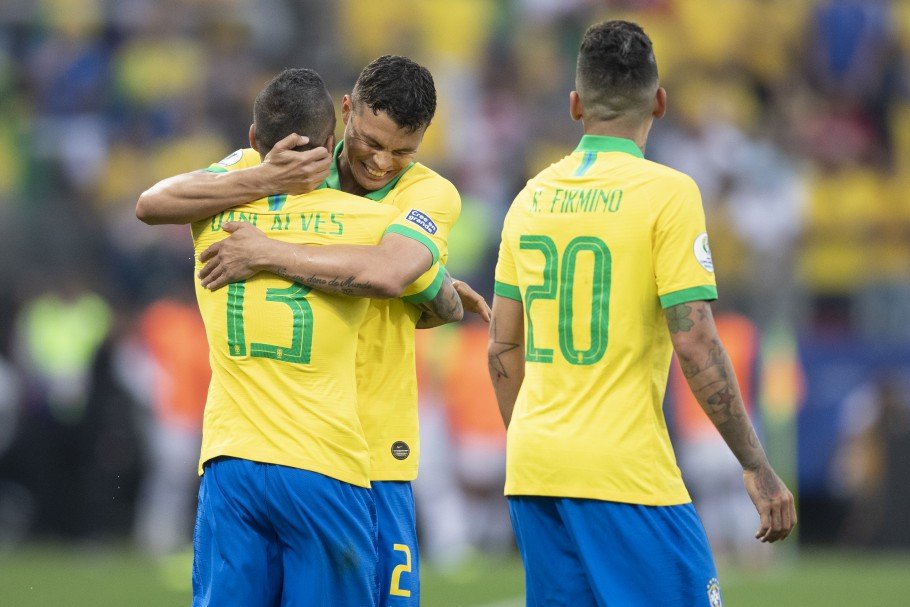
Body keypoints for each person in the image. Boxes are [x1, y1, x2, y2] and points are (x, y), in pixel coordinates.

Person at [137, 55, 488, 606]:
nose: (382, 162)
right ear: (347, 111)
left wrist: (267, 251)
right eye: (372, 141)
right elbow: (152, 202)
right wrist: (267, 176)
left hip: (373, 445)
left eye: (403, 151)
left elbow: (395, 272)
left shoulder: (427, 193)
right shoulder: (287, 166)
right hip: (306, 449)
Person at [487, 20, 796, 606]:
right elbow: (695, 342)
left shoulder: (529, 198)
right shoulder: (668, 194)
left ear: (575, 105)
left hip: (534, 469)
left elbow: (502, 346)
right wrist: (755, 465)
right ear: (659, 102)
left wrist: (537, 446)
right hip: (625, 470)